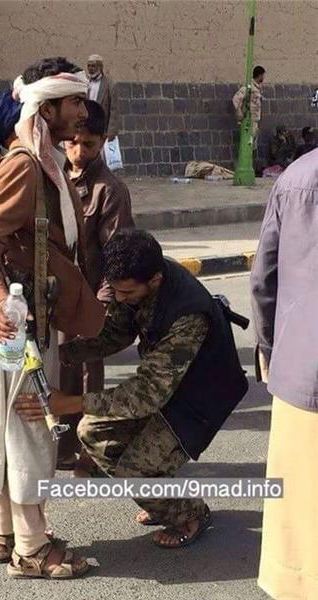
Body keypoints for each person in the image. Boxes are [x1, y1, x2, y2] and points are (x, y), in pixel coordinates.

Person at [16, 229, 248, 549]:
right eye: (115, 290)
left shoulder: (188, 315)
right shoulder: (136, 281)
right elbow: (116, 333)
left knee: (135, 472)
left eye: (126, 292)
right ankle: (161, 499)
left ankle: (189, 513)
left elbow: (146, 394)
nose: (120, 299)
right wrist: (61, 354)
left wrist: (68, 403)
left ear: (154, 281)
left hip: (198, 401)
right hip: (164, 387)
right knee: (92, 432)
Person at [0, 57, 105, 579]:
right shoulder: (26, 164)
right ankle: (32, 548)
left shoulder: (44, 159)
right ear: (47, 107)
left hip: (26, 320)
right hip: (18, 328)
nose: (82, 111)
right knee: (28, 431)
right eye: (74, 102)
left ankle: (4, 532)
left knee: (11, 428)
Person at [251, 148, 318, 600]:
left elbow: (264, 278)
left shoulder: (296, 176)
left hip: (301, 370)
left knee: (299, 512)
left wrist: (273, 352)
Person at [57, 99, 134, 472]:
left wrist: (101, 308)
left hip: (91, 298)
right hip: (58, 297)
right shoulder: (53, 177)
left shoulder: (110, 190)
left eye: (88, 144)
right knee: (59, 370)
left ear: (103, 141)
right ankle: (62, 443)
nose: (78, 151)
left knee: (89, 375)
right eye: (72, 142)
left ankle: (92, 449)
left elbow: (116, 254)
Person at [86, 54, 119, 141]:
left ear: (100, 67)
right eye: (89, 66)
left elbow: (114, 110)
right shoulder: (85, 82)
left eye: (93, 66)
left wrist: (110, 133)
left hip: (101, 129)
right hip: (86, 128)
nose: (90, 69)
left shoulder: (108, 84)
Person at [233, 65, 266, 151]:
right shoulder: (249, 87)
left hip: (254, 120)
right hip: (248, 121)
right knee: (248, 144)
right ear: (260, 75)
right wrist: (239, 111)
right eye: (263, 75)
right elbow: (236, 99)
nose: (263, 78)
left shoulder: (257, 88)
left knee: (252, 146)